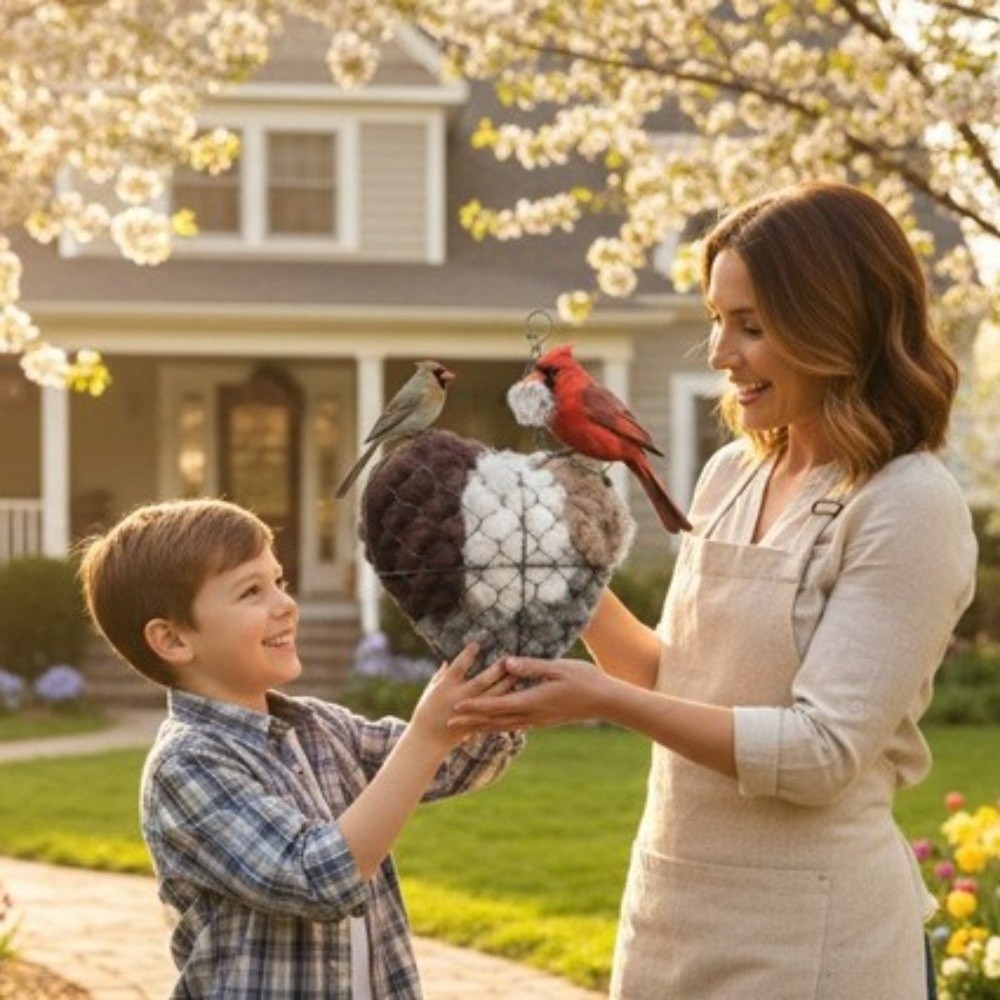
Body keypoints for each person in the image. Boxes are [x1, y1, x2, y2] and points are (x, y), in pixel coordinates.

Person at [452, 181, 978, 999]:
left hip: (813, 938)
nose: (720, 353)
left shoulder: (907, 503)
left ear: (837, 326)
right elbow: (674, 678)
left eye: (751, 326)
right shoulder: (731, 474)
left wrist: (603, 700)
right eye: (716, 319)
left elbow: (819, 753)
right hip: (672, 909)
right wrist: (557, 570)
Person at [78, 497, 522, 999]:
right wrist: (427, 736)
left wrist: (501, 658)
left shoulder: (320, 727)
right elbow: (316, 878)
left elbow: (457, 763)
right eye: (251, 591)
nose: (286, 604)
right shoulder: (187, 765)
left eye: (279, 581)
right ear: (174, 640)